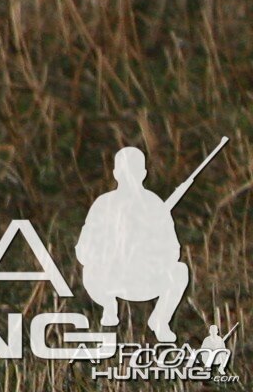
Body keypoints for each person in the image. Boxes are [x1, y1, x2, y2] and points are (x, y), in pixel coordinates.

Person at [79, 143, 195, 342]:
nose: (128, 177)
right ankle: (109, 306)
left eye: (132, 172)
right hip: (111, 278)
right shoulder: (103, 205)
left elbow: (173, 250)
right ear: (116, 174)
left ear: (143, 173)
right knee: (89, 272)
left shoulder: (154, 204)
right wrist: (110, 252)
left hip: (145, 279)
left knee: (180, 271)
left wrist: (150, 249)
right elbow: (83, 250)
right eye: (125, 172)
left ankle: (160, 320)